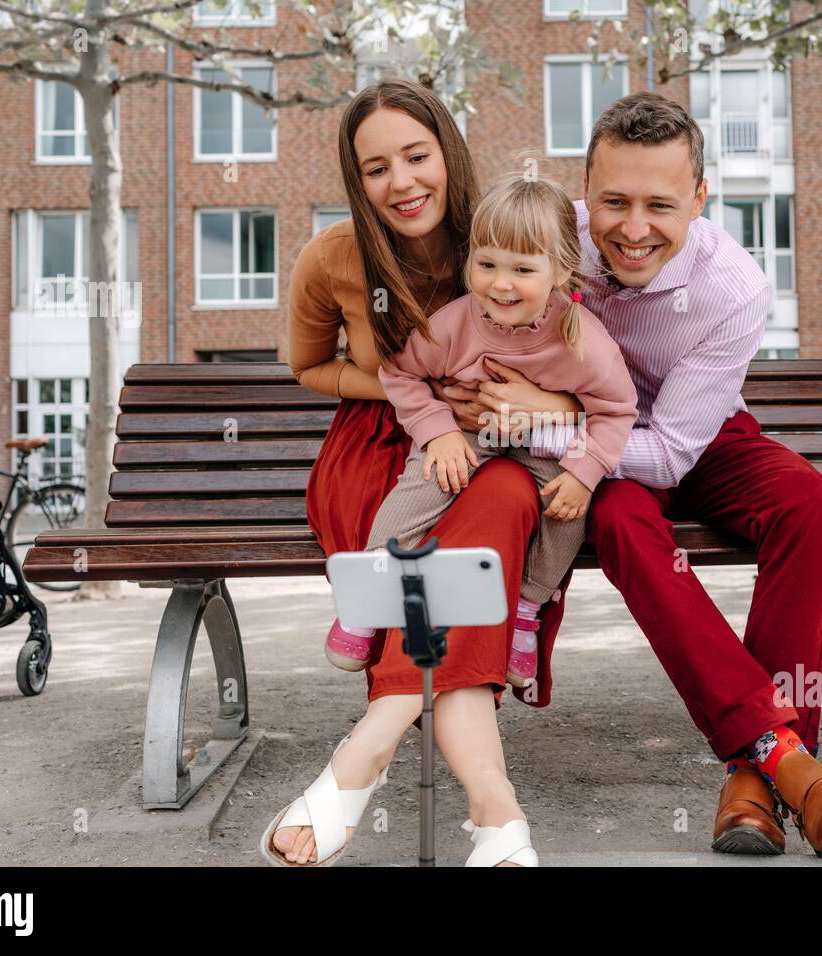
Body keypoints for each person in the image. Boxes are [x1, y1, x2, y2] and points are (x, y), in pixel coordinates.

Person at [429, 92, 822, 858]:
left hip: (683, 432)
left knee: (809, 503)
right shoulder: (547, 238)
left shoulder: (734, 288)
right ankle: (785, 761)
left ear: (701, 198)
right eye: (614, 202)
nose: (633, 230)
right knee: (617, 517)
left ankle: (753, 765)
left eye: (660, 205)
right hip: (594, 456)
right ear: (583, 192)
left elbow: (671, 451)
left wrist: (544, 418)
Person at [262, 80, 574, 867]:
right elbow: (307, 367)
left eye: (415, 156)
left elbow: (584, 350)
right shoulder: (333, 257)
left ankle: (365, 754)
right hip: (381, 454)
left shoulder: (505, 232)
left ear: (448, 154)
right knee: (451, 537)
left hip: (505, 445)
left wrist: (539, 400)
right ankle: (495, 810)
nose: (400, 182)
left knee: (506, 495)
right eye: (375, 169)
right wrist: (424, 397)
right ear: (355, 181)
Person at [335, 175, 637, 689]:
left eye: (522, 269)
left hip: (546, 443)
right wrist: (437, 433)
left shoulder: (584, 340)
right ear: (470, 258)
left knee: (567, 511)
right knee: (422, 486)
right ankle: (368, 595)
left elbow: (616, 409)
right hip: (466, 434)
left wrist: (585, 473)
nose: (501, 284)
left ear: (561, 270)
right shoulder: (452, 324)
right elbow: (399, 373)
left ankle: (526, 609)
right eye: (487, 264)